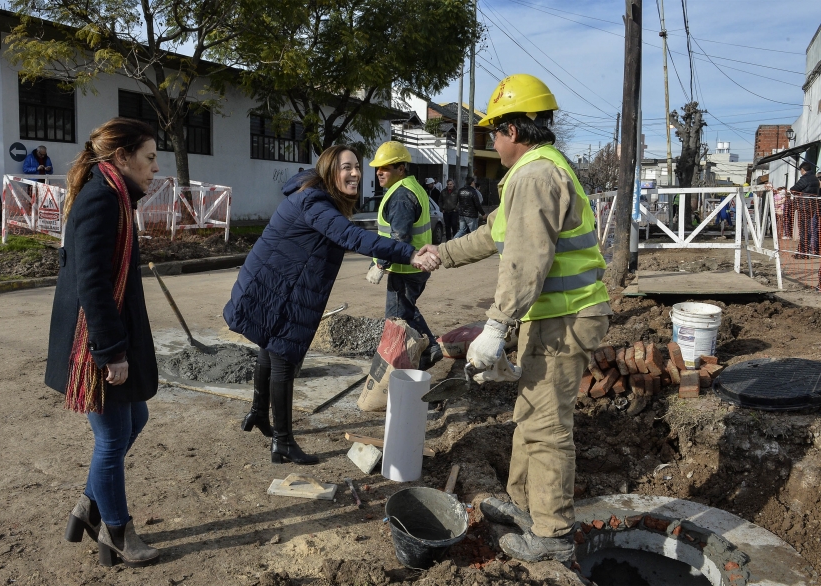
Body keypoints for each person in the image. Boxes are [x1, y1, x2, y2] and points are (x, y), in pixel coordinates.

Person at [418, 74, 610, 563]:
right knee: (529, 415)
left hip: (562, 321)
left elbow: (526, 262)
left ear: (513, 131)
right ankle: (527, 506)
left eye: (493, 132)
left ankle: (552, 535)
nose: (491, 141)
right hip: (552, 319)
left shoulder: (533, 176)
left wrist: (496, 325)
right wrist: (442, 253)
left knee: (546, 425)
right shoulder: (535, 172)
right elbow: (492, 236)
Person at [224, 145, 437, 465]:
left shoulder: (309, 193)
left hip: (270, 283)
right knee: (282, 360)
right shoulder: (315, 202)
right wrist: (408, 254)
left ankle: (258, 413)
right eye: (345, 168)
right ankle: (282, 441)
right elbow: (354, 237)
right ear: (328, 171)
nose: (355, 173)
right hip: (282, 291)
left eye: (356, 167)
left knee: (268, 350)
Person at [45, 118, 161, 568]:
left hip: (109, 333)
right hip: (94, 340)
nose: (155, 168)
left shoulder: (112, 194)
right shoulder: (101, 198)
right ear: (122, 158)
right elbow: (91, 283)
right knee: (112, 438)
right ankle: (117, 533)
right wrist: (111, 352)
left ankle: (87, 507)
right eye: (149, 158)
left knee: (136, 418)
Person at [368, 141, 443, 369]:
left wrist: (380, 265)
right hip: (411, 268)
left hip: (406, 269)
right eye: (378, 168)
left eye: (386, 168)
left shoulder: (401, 196)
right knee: (405, 311)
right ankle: (425, 351)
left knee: (398, 317)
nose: (379, 172)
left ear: (401, 169)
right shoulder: (410, 187)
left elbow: (399, 237)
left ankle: (427, 350)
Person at [791, 162, 820, 258]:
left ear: (803, 170)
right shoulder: (815, 179)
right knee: (807, 229)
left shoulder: (805, 179)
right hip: (812, 206)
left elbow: (794, 189)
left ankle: (802, 253)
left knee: (803, 229)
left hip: (803, 205)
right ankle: (803, 251)